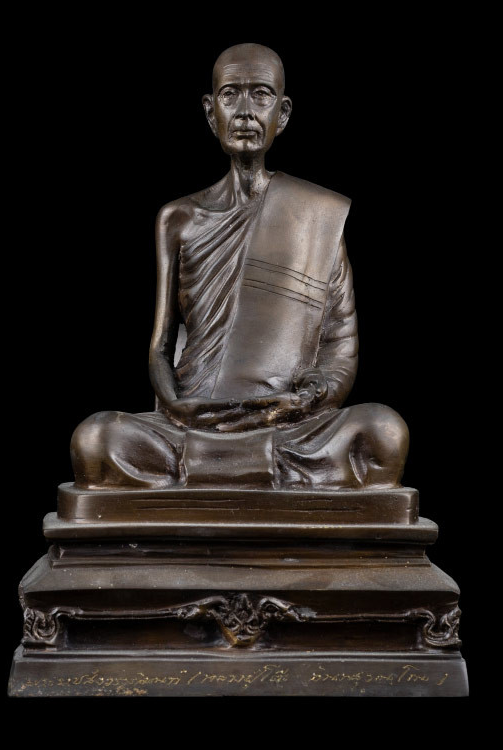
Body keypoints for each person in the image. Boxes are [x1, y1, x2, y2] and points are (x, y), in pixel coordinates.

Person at [70, 43, 409, 491]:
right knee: (95, 439)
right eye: (231, 95)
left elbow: (340, 346)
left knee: (384, 432)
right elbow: (160, 347)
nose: (246, 111)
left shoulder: (317, 217)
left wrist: (315, 392)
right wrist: (174, 405)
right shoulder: (178, 219)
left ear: (282, 114)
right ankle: (257, 473)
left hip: (286, 422)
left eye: (261, 95)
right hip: (195, 419)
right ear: (211, 113)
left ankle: (207, 472)